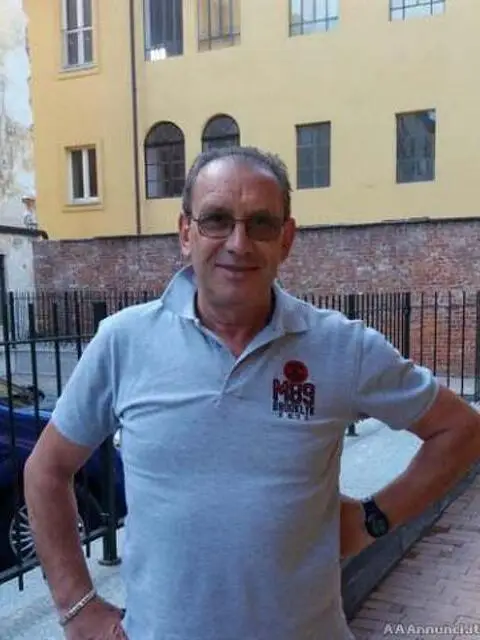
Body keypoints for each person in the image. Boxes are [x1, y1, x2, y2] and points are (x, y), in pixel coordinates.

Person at [24, 146, 480, 640]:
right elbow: (46, 470)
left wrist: (374, 519)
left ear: (286, 239)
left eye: (260, 223)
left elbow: (461, 430)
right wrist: (78, 607)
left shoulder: (341, 346)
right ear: (186, 233)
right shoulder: (124, 341)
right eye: (216, 220)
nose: (238, 243)